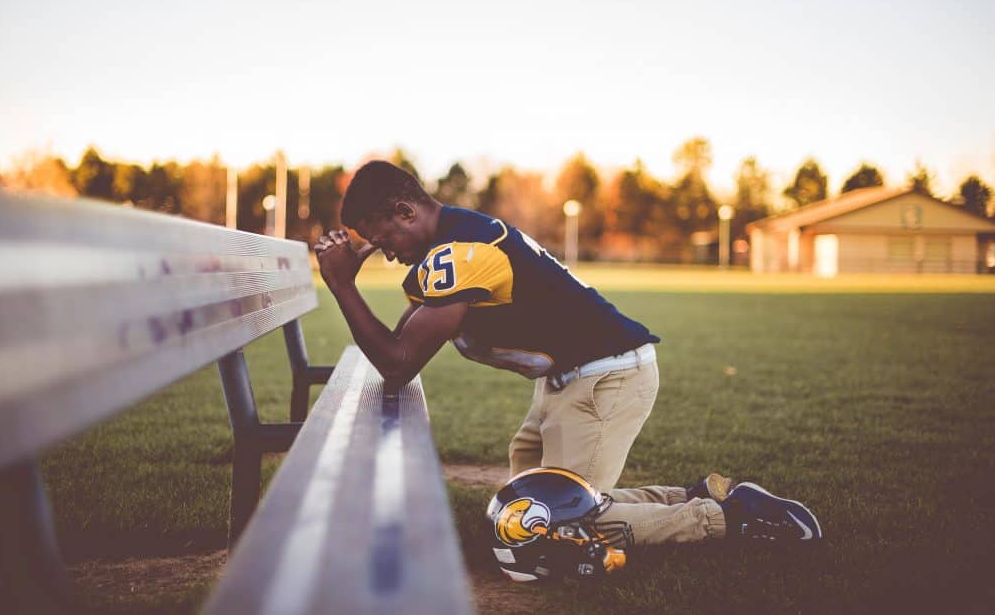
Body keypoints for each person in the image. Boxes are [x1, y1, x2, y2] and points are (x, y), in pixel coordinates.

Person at [313, 160, 821, 553]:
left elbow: (399, 363)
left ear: (406, 211)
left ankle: (731, 519)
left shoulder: (460, 251)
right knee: (530, 509)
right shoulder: (450, 242)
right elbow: (402, 345)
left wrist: (340, 286)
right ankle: (699, 496)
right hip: (571, 379)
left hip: (605, 378)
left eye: (384, 239)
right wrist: (348, 283)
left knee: (561, 523)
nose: (386, 252)